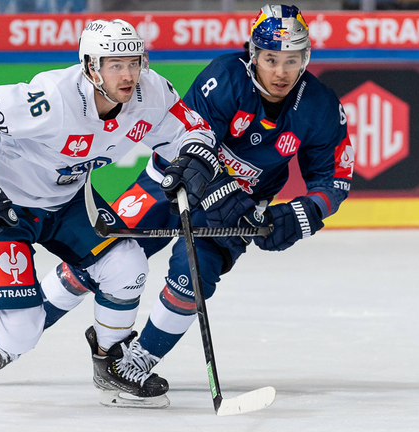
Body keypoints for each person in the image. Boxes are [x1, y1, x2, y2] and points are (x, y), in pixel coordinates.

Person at [0, 19, 225, 407]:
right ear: (91, 67)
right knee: (22, 334)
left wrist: (195, 157)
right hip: (6, 208)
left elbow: (192, 129)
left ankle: (110, 361)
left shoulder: (151, 93)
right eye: (115, 65)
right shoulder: (53, 98)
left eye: (134, 63)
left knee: (128, 265)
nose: (128, 75)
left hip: (69, 202)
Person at [104, 4, 355, 392]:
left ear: (305, 58)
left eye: (291, 60)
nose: (281, 72)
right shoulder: (224, 77)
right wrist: (223, 193)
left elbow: (334, 179)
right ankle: (21, 331)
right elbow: (191, 142)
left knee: (193, 279)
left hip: (238, 211)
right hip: (173, 185)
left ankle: (137, 361)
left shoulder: (319, 106)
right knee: (101, 256)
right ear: (253, 54)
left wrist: (302, 214)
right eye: (271, 59)